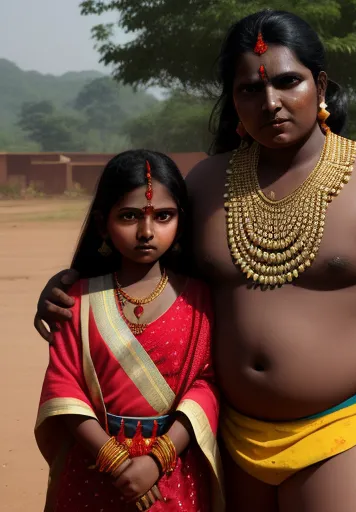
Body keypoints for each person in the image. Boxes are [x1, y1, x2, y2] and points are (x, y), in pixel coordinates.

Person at [34, 10, 356, 512]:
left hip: (344, 430)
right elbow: (143, 267)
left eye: (288, 82)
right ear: (232, 100)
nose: (271, 103)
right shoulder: (204, 186)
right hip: (222, 435)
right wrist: (69, 287)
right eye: (249, 90)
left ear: (319, 84)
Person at [34, 150, 223, 511]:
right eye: (129, 216)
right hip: (95, 469)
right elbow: (64, 386)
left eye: (162, 216)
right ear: (103, 225)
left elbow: (206, 383)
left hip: (172, 471)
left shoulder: (200, 299)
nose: (146, 231)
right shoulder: (77, 299)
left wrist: (156, 461)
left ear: (181, 222)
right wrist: (115, 460)